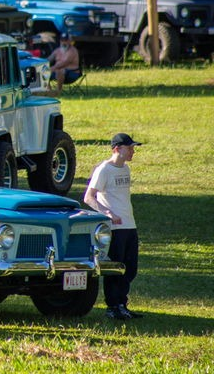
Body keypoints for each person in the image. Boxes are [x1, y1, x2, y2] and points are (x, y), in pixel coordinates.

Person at [84, 133, 143, 321]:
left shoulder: (125, 169)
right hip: (115, 228)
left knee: (130, 267)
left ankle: (122, 304)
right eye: (129, 148)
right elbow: (88, 197)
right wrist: (107, 213)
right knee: (116, 267)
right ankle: (113, 306)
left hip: (129, 224)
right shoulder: (104, 170)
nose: (132, 151)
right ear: (117, 149)